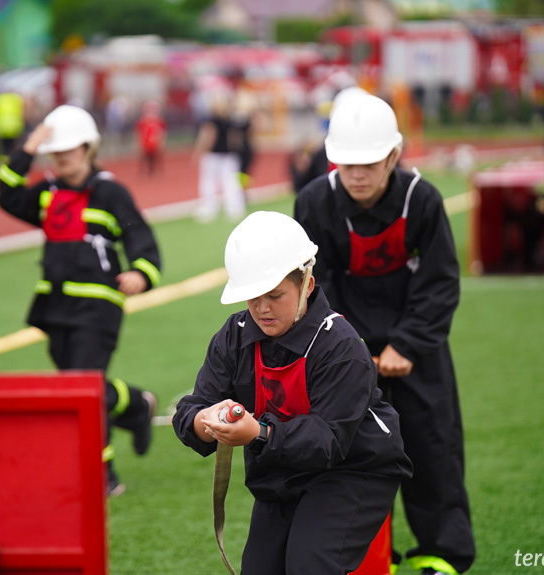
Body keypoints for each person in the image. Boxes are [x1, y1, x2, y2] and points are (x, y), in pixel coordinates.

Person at [294, 94, 475, 575]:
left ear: (394, 156)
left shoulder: (424, 200)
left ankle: (443, 555)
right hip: (342, 354)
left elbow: (439, 283)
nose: (357, 174)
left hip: (416, 351)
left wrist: (406, 344)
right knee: (346, 458)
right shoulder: (313, 202)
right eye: (347, 163)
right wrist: (346, 353)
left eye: (369, 163)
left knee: (433, 448)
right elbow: (312, 288)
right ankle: (370, 559)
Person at [173, 211, 412, 575]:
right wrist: (202, 423)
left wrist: (259, 433)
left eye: (274, 295)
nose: (262, 308)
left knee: (310, 565)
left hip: (354, 471)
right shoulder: (234, 335)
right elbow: (193, 407)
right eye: (252, 296)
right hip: (281, 472)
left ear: (308, 284)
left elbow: (329, 441)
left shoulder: (340, 345)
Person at [0, 104, 160, 497]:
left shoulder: (110, 191)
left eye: (68, 150)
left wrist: (141, 272)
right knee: (78, 386)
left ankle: (102, 475)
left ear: (88, 148)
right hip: (55, 308)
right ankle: (136, 406)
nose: (61, 158)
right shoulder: (47, 192)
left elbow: (142, 240)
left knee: (83, 388)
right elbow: (6, 196)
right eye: (55, 152)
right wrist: (26, 150)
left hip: (98, 307)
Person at [192, 91, 246, 222]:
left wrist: (198, 151)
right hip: (229, 156)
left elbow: (207, 136)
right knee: (231, 182)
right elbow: (236, 139)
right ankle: (234, 208)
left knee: (209, 182)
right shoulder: (231, 120)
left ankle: (210, 208)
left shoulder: (211, 120)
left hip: (214, 156)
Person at [134, 100, 167, 176]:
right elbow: (139, 133)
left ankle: (156, 170)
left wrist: (161, 141)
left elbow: (162, 132)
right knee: (145, 157)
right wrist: (139, 142)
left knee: (156, 157)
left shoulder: (158, 121)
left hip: (154, 142)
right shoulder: (142, 122)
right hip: (146, 142)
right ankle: (145, 171)